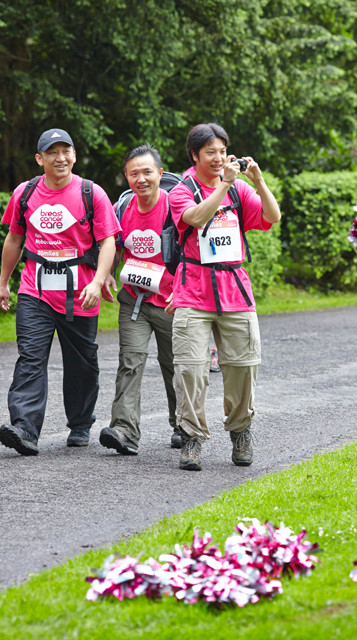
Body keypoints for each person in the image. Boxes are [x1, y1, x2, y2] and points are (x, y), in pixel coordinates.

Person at [0, 128, 120, 455]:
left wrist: (97, 280)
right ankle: (24, 428)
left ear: (74, 156)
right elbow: (14, 238)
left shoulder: (92, 193)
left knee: (82, 363)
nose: (60, 158)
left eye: (66, 151)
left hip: (80, 292)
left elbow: (108, 241)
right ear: (40, 159)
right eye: (52, 152)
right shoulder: (25, 193)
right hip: (34, 291)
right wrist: (4, 283)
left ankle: (80, 423)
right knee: (30, 359)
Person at [167, 123, 281, 471]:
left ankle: (240, 431)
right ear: (195, 156)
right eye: (210, 152)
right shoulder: (182, 189)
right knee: (190, 369)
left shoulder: (239, 190)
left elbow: (272, 217)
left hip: (234, 289)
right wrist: (227, 183)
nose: (217, 158)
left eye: (221, 151)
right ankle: (191, 438)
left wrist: (258, 182)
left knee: (243, 367)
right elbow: (196, 218)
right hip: (192, 289)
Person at [99, 144, 181, 454]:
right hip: (134, 300)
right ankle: (124, 431)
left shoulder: (176, 208)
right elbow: (115, 246)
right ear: (126, 177)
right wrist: (107, 273)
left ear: (160, 173)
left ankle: (183, 425)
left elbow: (190, 251)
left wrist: (186, 292)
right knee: (129, 362)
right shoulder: (122, 208)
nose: (141, 179)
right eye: (134, 174)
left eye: (147, 172)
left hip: (172, 301)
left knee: (175, 365)